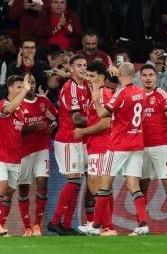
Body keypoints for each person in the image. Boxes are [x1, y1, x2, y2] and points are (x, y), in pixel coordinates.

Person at [84, 62, 150, 236]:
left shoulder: (121, 93)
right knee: (134, 185)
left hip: (119, 145)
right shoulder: (141, 92)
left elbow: (101, 114)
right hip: (136, 144)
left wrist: (97, 100)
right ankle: (143, 223)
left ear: (120, 73)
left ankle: (96, 225)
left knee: (104, 185)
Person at [48, 55, 90, 236]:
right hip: (67, 140)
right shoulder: (70, 88)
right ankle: (55, 221)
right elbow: (76, 119)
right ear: (71, 69)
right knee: (73, 181)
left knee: (78, 184)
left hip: (81, 140)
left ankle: (66, 224)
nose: (83, 68)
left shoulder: (86, 86)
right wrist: (99, 121)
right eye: (79, 65)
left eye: (85, 65)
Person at [137, 64, 167, 234]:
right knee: (142, 185)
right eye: (145, 75)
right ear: (140, 78)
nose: (148, 78)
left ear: (156, 77)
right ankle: (142, 224)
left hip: (162, 146)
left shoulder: (162, 95)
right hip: (140, 147)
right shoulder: (135, 95)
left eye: (151, 75)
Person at [74, 61, 116, 235]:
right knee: (100, 186)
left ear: (101, 76)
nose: (88, 79)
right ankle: (104, 225)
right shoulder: (95, 93)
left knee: (96, 185)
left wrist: (83, 131)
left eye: (91, 76)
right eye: (87, 76)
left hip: (102, 145)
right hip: (95, 145)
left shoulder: (104, 93)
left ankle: (106, 226)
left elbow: (106, 123)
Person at [0, 74, 29, 237]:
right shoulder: (2, 104)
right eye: (18, 87)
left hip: (14, 157)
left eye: (22, 87)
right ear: (10, 88)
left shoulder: (22, 110)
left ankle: (1, 227)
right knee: (1, 187)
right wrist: (25, 92)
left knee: (10, 192)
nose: (22, 89)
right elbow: (9, 109)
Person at [17, 71, 58, 237]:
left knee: (42, 187)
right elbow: (14, 130)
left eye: (33, 83)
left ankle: (37, 226)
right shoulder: (17, 104)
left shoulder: (43, 101)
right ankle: (26, 227)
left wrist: (53, 125)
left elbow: (55, 118)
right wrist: (32, 128)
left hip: (42, 150)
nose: (31, 86)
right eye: (28, 83)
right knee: (24, 189)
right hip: (23, 152)